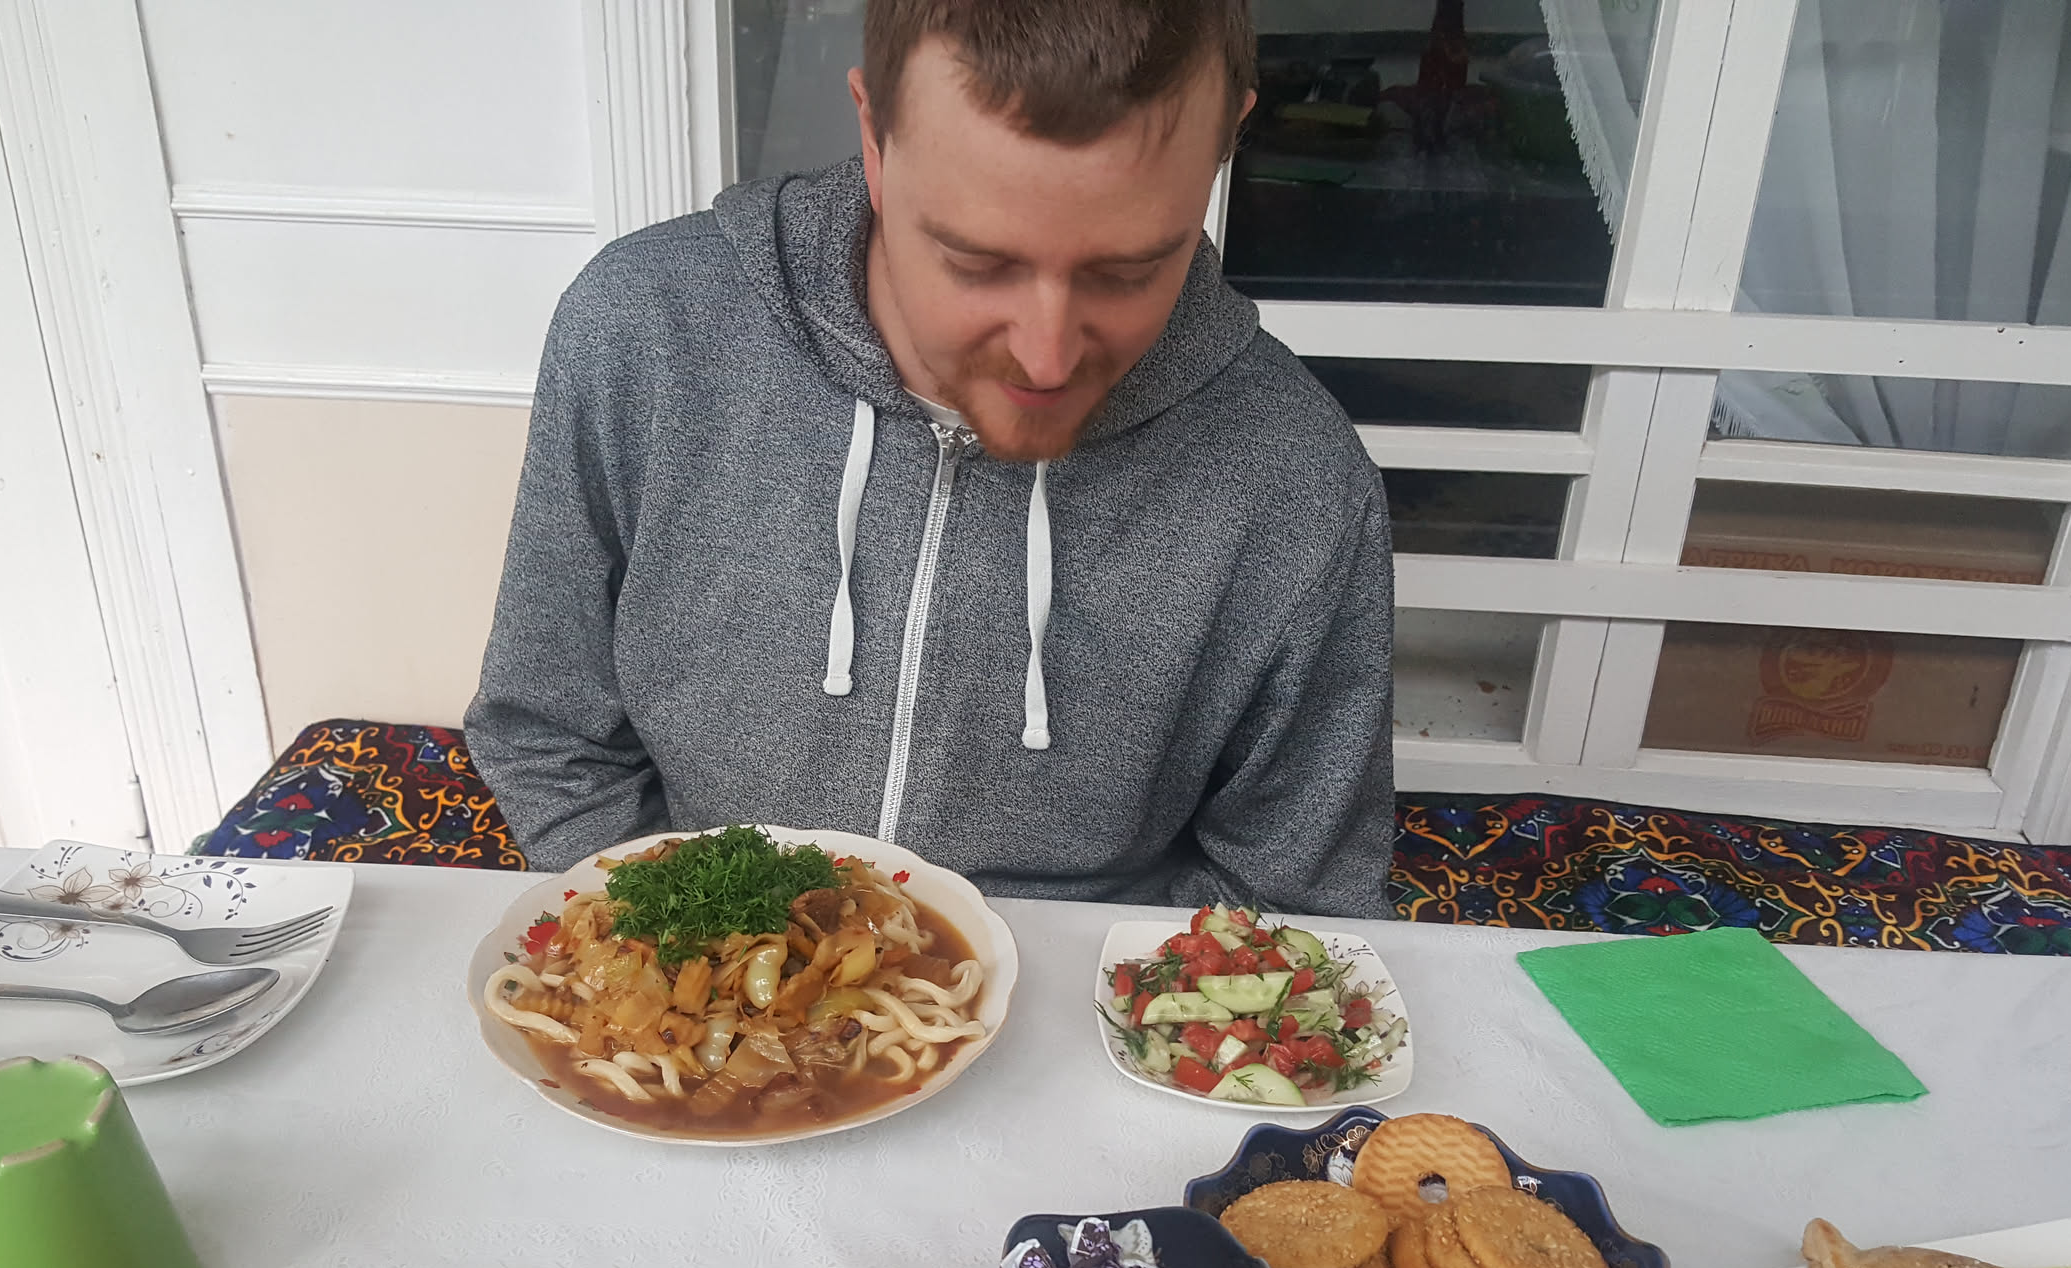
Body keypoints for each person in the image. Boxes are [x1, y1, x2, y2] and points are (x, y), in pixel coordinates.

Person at [467, 0, 1395, 914]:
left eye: (1127, 272)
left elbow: (1292, 893)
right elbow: (550, 734)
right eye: (977, 263)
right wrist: (672, 953)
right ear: (874, 136)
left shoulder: (1298, 474)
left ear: (1229, 138)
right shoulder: (645, 333)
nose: (1047, 357)